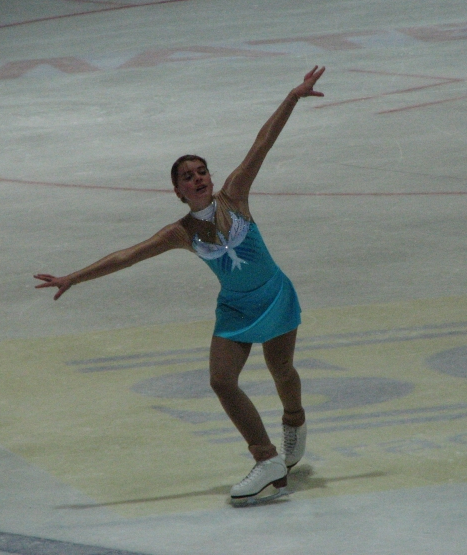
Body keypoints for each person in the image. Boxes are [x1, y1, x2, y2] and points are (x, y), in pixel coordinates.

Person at [35, 66, 325, 504]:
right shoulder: (180, 232)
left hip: (274, 295)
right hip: (235, 308)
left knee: (281, 370)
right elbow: (127, 255)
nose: (198, 178)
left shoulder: (235, 195)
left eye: (202, 171)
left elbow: (262, 144)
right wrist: (74, 277)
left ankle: (295, 420)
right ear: (177, 191)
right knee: (221, 381)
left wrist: (292, 96)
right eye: (188, 176)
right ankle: (266, 461)